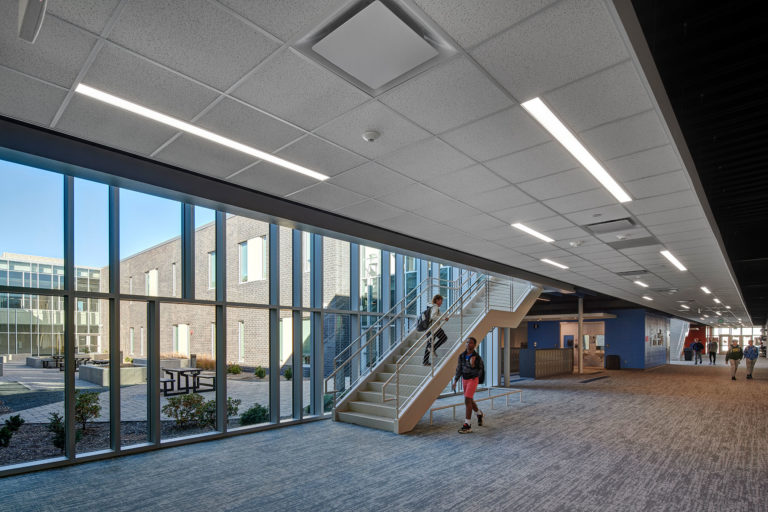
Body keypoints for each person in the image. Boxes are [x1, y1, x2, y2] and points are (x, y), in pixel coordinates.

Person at [452, 336, 484, 433]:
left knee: (467, 400)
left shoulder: (477, 357)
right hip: (464, 380)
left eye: (470, 343)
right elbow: (459, 369)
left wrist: (473, 365)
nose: (468, 344)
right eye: (467, 342)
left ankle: (467, 425)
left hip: (473, 379)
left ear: (474, 345)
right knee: (470, 400)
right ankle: (479, 414)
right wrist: (455, 381)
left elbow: (480, 371)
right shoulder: (461, 356)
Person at [422, 294, 448, 366]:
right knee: (444, 338)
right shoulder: (435, 307)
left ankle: (425, 361)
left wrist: (443, 317)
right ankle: (433, 348)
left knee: (429, 344)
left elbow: (436, 315)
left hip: (430, 328)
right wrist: (443, 318)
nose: (441, 303)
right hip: (433, 328)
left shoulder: (430, 306)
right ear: (437, 300)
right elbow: (433, 316)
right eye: (441, 301)